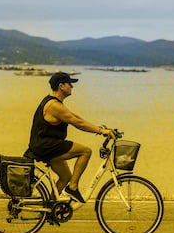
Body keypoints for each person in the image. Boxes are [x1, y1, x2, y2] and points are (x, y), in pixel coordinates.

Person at [25, 72, 115, 203]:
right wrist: (101, 131)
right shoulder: (54, 106)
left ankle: (49, 208)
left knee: (65, 176)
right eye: (70, 84)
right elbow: (77, 123)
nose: (72, 87)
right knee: (86, 151)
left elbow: (77, 118)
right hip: (46, 146)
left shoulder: (54, 103)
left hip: (46, 145)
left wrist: (101, 128)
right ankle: (73, 188)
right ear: (61, 86)